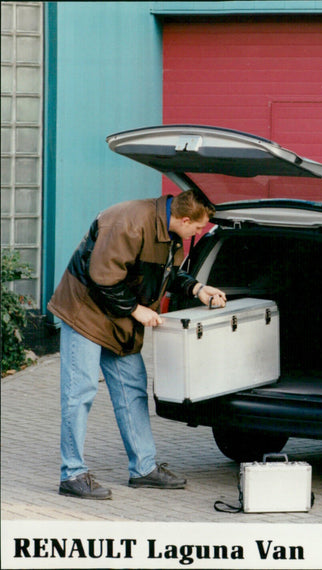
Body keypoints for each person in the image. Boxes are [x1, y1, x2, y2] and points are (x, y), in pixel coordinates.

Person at [48, 189, 227, 500]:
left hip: (116, 316)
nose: (199, 233)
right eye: (198, 228)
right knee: (80, 391)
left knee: (132, 388)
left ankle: (143, 469)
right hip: (85, 311)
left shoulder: (170, 233)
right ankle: (72, 474)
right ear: (184, 219)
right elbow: (102, 277)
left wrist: (198, 289)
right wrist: (136, 309)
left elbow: (162, 275)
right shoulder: (127, 221)